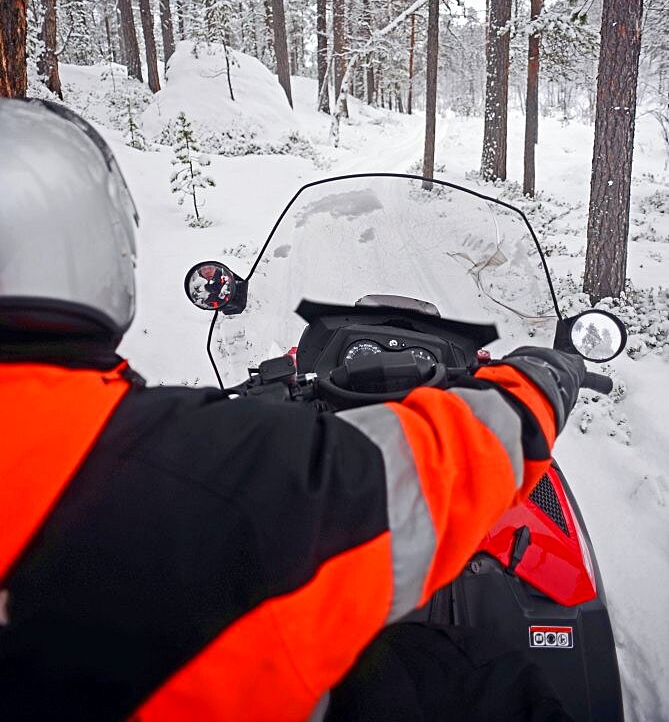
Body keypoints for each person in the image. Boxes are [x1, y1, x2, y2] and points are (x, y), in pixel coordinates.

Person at [0, 98, 584, 721]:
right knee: (456, 678)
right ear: (99, 248)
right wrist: (540, 381)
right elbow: (421, 475)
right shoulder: (180, 468)